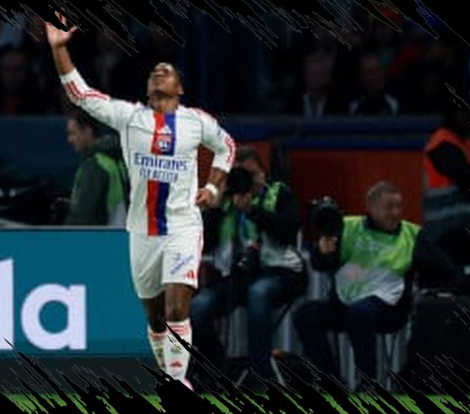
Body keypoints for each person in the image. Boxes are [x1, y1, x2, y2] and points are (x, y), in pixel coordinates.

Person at [46, 13, 236, 388]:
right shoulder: (129, 117)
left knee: (178, 306)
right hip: (142, 232)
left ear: (180, 88)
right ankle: (170, 374)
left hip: (182, 225)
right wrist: (59, 49)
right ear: (148, 88)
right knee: (155, 318)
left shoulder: (196, 121)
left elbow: (226, 146)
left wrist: (214, 188)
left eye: (167, 70)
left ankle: (177, 384)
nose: (159, 72)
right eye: (154, 72)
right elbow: (79, 94)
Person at [293, 182, 457, 392]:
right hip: (344, 303)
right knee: (305, 314)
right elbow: (321, 264)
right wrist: (322, 252)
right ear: (370, 208)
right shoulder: (347, 227)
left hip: (389, 309)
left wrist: (440, 289)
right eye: (389, 207)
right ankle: (332, 381)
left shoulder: (411, 235)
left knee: (358, 314)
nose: (395, 213)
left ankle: (368, 382)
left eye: (398, 206)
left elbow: (446, 268)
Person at [191, 146, 307, 390]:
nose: (246, 182)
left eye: (251, 175)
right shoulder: (227, 202)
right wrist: (215, 208)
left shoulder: (279, 193)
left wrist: (253, 210)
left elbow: (288, 231)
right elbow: (204, 243)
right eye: (239, 176)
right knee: (198, 307)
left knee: (258, 293)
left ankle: (260, 374)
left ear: (262, 174)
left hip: (280, 272)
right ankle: (217, 370)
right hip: (238, 275)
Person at [423, 102, 470, 305]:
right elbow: (469, 181)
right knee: (451, 294)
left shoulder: (468, 146)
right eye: (465, 112)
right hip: (447, 234)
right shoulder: (441, 144)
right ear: (452, 114)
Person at [61, 107, 129, 227]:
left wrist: (62, 230)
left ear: (88, 131)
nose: (69, 139)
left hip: (100, 237)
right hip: (118, 234)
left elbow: (84, 217)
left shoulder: (96, 165)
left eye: (73, 133)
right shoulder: (115, 160)